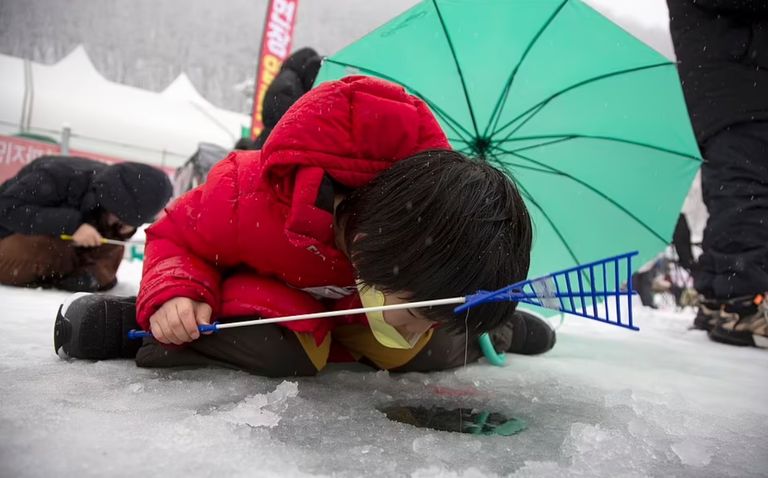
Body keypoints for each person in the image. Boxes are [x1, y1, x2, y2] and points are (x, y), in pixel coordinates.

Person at [54, 76, 556, 376]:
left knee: (424, 349)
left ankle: (496, 332)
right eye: (419, 311)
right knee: (278, 351)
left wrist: (448, 320)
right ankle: (140, 329)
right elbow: (176, 237)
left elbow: (420, 316)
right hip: (277, 305)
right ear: (373, 244)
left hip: (353, 314)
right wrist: (175, 294)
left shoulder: (418, 243)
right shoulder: (247, 193)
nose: (419, 325)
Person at [667, 0, 768, 347]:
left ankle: (717, 296)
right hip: (737, 83)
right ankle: (742, 303)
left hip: (728, 83)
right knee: (747, 192)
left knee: (731, 191)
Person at [0, 156, 172, 292]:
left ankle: (86, 277)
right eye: (118, 216)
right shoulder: (57, 175)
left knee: (112, 246)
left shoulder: (112, 190)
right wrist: (72, 225)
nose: (117, 222)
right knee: (46, 250)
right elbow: (5, 208)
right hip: (9, 236)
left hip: (68, 247)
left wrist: (123, 230)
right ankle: (65, 273)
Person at [235, 47, 323, 151]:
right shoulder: (290, 84)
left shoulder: (286, 79)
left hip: (270, 137)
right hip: (277, 141)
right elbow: (288, 121)